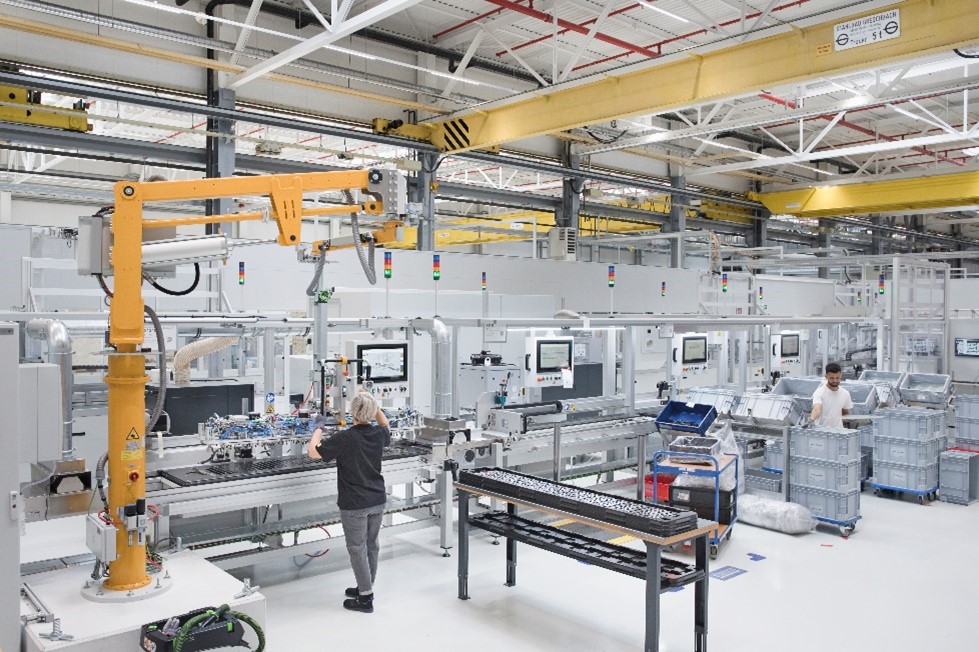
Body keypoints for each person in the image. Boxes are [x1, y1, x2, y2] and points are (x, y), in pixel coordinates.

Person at [307, 392, 390, 613]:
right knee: (371, 545)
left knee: (357, 548)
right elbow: (385, 425)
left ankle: (365, 598)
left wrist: (319, 427)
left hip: (355, 503)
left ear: (352, 411)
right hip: (377, 499)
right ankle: (366, 585)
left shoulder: (345, 438)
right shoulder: (378, 434)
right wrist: (373, 405)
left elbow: (313, 453)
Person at [810, 362, 853, 428]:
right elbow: (816, 409)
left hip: (838, 431)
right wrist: (811, 420)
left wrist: (847, 420)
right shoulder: (819, 392)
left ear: (841, 375)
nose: (835, 381)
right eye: (832, 378)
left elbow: (845, 412)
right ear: (826, 376)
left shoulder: (845, 393)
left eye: (837, 378)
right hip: (822, 430)